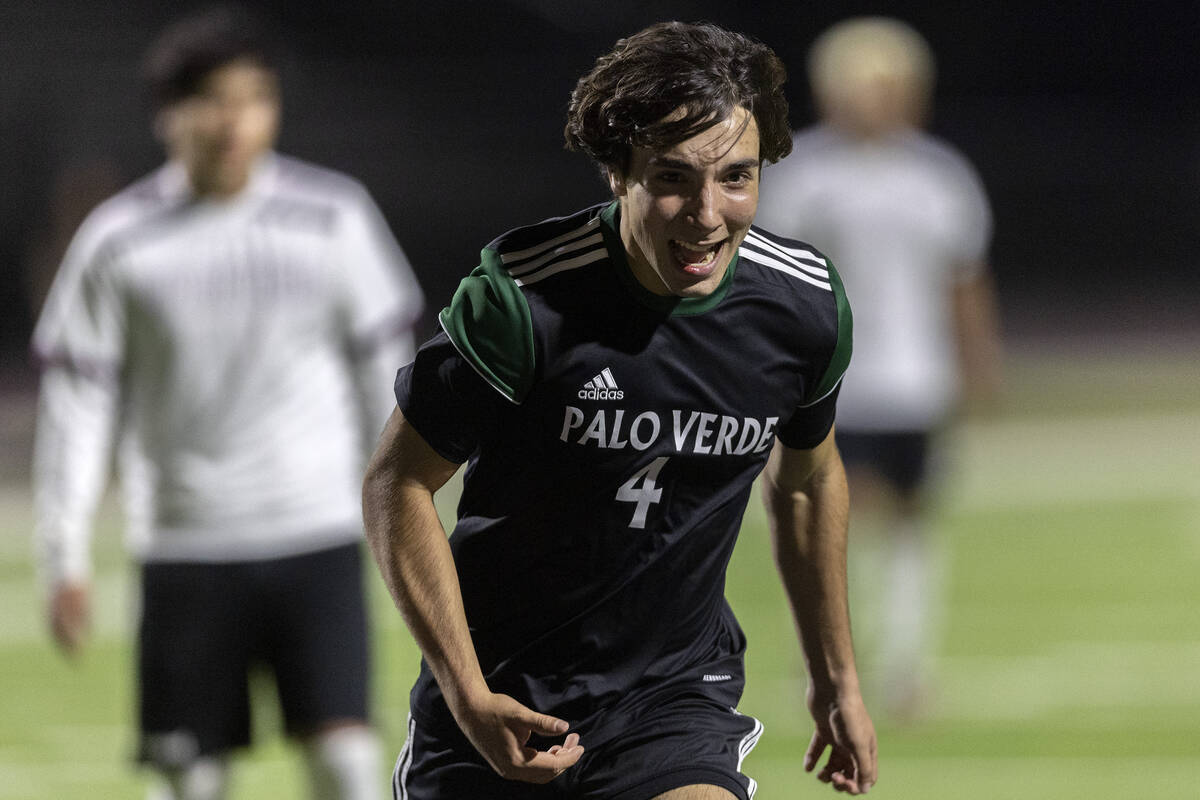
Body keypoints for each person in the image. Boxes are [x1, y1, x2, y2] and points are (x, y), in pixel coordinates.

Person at [363, 21, 877, 800]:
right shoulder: (522, 299)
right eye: (673, 178)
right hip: (503, 695)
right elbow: (398, 483)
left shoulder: (802, 307)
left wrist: (837, 677)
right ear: (617, 174)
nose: (708, 214)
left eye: (737, 177)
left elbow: (806, 482)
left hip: (671, 699)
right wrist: (465, 692)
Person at [31, 7, 424, 799]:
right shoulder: (117, 240)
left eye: (254, 97)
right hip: (184, 546)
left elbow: (389, 381)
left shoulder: (334, 218)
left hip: (314, 533)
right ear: (167, 114)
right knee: (187, 781)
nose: (234, 119)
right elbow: (78, 406)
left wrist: (403, 517)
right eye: (213, 98)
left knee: (348, 767)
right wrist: (63, 553)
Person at [755, 17, 1003, 720]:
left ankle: (906, 667)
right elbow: (773, 282)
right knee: (838, 520)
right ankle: (835, 664)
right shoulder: (807, 176)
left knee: (913, 525)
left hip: (918, 382)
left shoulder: (938, 175)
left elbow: (964, 279)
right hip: (837, 382)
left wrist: (980, 362)